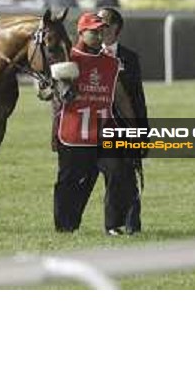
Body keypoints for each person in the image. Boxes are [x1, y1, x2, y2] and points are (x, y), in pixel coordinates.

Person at [51, 12, 138, 234]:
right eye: (94, 31)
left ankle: (114, 225)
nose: (99, 35)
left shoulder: (111, 62)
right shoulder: (67, 60)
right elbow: (49, 94)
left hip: (105, 132)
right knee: (72, 183)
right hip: (73, 134)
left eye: (102, 31)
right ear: (81, 32)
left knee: (119, 173)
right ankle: (66, 227)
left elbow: (119, 96)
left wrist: (133, 127)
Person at [98, 7, 149, 234]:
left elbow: (138, 97)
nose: (100, 27)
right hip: (94, 128)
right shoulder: (86, 56)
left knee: (127, 174)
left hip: (125, 126)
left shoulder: (129, 58)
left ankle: (131, 225)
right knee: (112, 173)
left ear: (116, 29)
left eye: (105, 23)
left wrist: (142, 132)